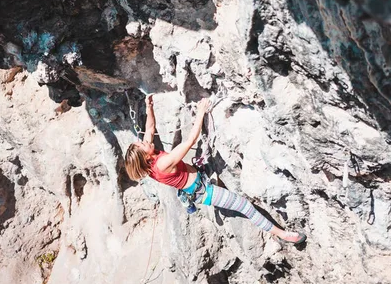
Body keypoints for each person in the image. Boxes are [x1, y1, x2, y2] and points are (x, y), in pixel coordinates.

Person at [124, 94, 306, 244]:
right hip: (205, 191)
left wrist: (149, 108)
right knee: (245, 206)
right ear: (144, 157)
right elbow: (190, 141)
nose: (144, 141)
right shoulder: (162, 164)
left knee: (238, 198)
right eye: (141, 144)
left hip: (199, 179)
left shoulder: (149, 160)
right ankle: (283, 235)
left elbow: (150, 128)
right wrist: (201, 113)